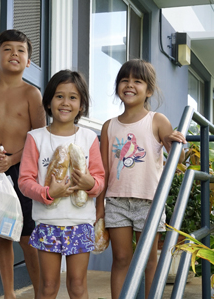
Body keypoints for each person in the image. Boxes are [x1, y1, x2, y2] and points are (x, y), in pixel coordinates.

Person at [96, 59, 186, 299]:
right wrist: (99, 209)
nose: (130, 85)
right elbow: (104, 170)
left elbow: (178, 160)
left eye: (138, 81)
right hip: (116, 201)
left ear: (148, 90)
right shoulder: (109, 126)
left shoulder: (157, 120)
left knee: (148, 259)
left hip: (149, 202)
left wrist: (177, 144)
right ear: (117, 86)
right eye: (124, 80)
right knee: (122, 258)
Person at [0, 29, 45, 299]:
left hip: (22, 168)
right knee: (1, 232)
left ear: (28, 62)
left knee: (26, 236)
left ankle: (40, 293)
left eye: (20, 50)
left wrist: (13, 158)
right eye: (7, 49)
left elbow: (39, 137)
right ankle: (9, 293)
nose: (14, 54)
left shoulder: (32, 93)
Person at [18, 69, 105, 299]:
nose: (65, 102)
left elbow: (100, 181)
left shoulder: (88, 138)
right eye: (59, 96)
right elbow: (25, 181)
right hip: (48, 223)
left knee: (77, 286)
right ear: (48, 102)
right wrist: (47, 192)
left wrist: (89, 183)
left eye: (73, 97)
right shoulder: (36, 138)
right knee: (47, 286)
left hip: (80, 223)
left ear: (82, 105)